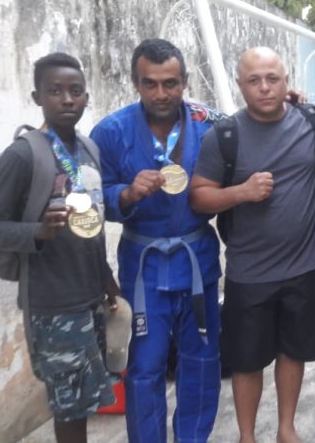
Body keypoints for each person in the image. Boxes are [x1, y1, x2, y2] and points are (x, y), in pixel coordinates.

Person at [189, 47, 315, 443]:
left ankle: (286, 428)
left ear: (288, 82)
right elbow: (199, 197)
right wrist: (241, 191)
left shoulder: (311, 119)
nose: (265, 87)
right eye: (254, 80)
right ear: (240, 85)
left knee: (294, 351)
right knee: (247, 360)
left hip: (302, 267)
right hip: (248, 273)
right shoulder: (223, 135)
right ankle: (247, 435)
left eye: (273, 78)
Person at [0, 52, 120, 443]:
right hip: (52, 305)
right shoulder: (23, 155)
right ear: (37, 96)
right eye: (55, 91)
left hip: (89, 297)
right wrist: (37, 231)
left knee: (86, 400)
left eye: (75, 91)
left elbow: (92, 221)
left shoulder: (89, 149)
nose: (67, 99)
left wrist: (106, 277)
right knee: (69, 404)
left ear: (87, 97)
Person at [90, 38, 224, 443]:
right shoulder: (110, 131)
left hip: (196, 257)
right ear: (136, 82)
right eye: (150, 84)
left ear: (184, 81)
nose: (161, 93)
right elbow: (92, 201)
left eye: (171, 83)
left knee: (201, 361)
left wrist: (292, 99)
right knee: (144, 368)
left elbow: (255, 130)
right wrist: (125, 194)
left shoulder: (209, 125)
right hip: (142, 265)